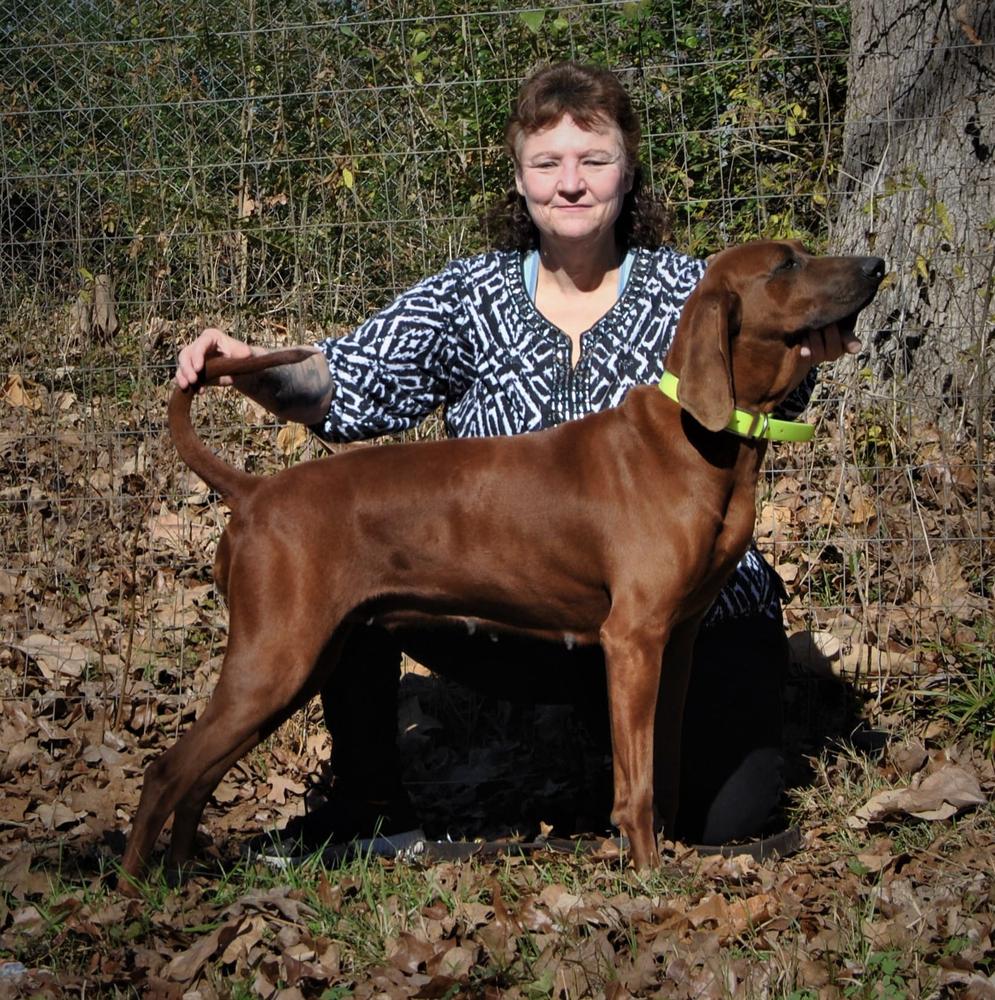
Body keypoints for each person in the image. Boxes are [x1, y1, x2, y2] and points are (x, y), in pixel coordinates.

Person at [175, 62, 859, 852]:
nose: (570, 183)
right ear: (520, 178)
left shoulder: (695, 290)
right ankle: (368, 806)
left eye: (592, 159)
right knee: (348, 549)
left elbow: (763, 399)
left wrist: (804, 358)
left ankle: (641, 796)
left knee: (725, 821)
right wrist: (249, 365)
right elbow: (344, 383)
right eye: (546, 163)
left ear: (627, 170)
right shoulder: (469, 295)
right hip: (516, 612)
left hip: (689, 619)